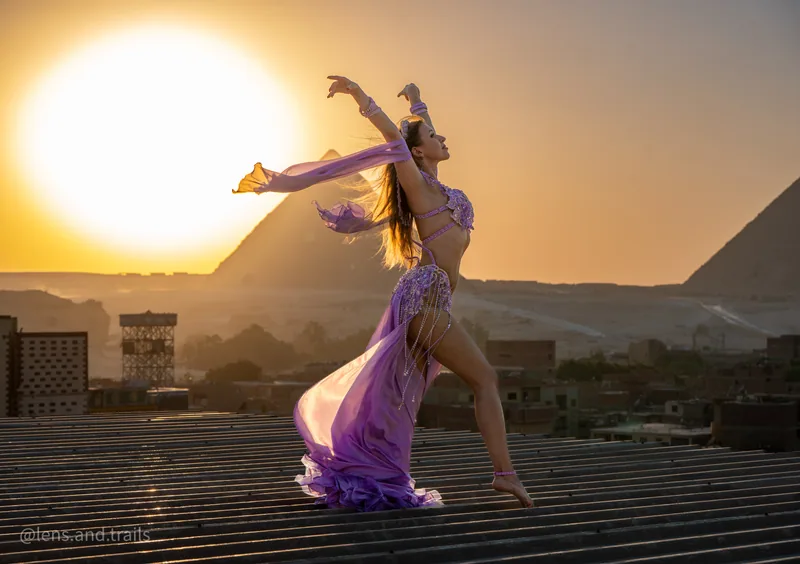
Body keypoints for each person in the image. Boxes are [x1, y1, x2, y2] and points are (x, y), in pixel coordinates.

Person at [234, 76, 533, 511]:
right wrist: (361, 97)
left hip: (433, 300)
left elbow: (416, 133)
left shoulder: (438, 186)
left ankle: (377, 474)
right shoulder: (418, 186)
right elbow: (396, 138)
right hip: (423, 298)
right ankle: (504, 475)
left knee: (396, 400)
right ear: (416, 153)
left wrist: (417, 102)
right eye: (433, 136)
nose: (442, 136)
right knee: (484, 378)